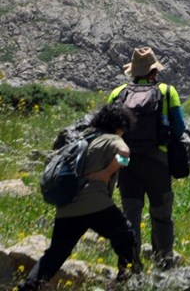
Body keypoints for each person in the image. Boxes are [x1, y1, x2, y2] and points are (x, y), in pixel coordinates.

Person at [18, 103, 138, 290]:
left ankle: (28, 287)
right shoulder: (112, 138)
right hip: (95, 203)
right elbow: (125, 155)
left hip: (68, 207)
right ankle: (126, 281)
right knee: (126, 237)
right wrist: (106, 173)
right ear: (120, 125)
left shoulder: (84, 137)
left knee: (56, 254)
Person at [108, 46, 187, 271]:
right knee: (161, 214)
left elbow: (108, 129)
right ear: (154, 71)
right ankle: (163, 264)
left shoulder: (117, 93)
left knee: (130, 214)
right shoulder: (167, 92)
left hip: (126, 161)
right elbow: (179, 128)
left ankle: (129, 265)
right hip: (157, 161)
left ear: (133, 71)